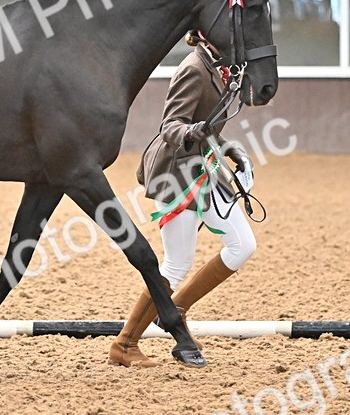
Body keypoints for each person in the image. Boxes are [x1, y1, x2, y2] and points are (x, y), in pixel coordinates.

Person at [109, 31, 257, 368]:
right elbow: (170, 126)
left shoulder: (221, 69)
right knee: (176, 264)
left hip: (206, 170)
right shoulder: (193, 68)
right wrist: (192, 132)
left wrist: (232, 149)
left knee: (243, 245)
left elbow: (212, 129)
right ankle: (125, 343)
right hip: (177, 175)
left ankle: (175, 311)